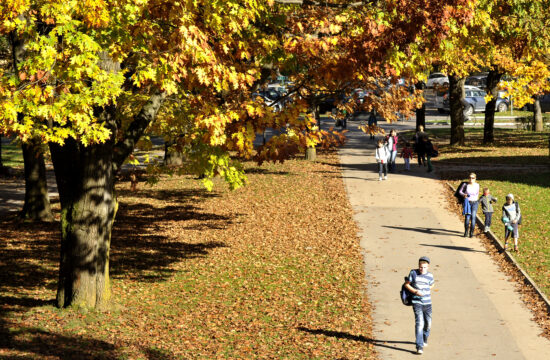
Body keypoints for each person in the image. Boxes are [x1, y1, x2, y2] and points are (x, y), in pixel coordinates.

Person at [404, 256, 435, 355]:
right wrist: (415, 291)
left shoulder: (430, 276)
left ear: (428, 267)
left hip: (428, 303)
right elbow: (407, 284)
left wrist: (427, 289)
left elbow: (432, 284)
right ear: (418, 266)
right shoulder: (413, 273)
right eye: (421, 267)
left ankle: (425, 338)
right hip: (417, 302)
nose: (422, 269)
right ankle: (419, 346)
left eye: (425, 267)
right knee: (419, 323)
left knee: (428, 324)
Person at [458, 172, 480, 237]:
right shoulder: (465, 185)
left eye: (472, 178)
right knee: (467, 218)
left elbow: (476, 193)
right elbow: (460, 191)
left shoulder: (477, 185)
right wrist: (464, 194)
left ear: (475, 178)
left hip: (475, 203)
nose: (471, 179)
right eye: (470, 178)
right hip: (467, 203)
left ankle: (471, 232)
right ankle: (466, 232)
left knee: (473, 217)